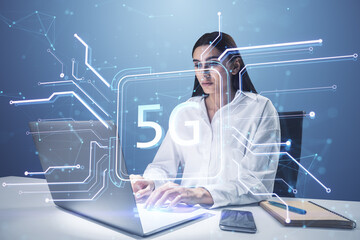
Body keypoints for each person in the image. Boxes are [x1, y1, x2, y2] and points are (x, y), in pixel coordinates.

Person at [130, 32, 280, 209]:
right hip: (187, 211)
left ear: (234, 66)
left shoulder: (260, 109)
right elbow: (162, 166)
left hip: (238, 213)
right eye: (197, 65)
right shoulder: (186, 112)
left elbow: (256, 183)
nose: (203, 73)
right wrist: (150, 182)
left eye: (213, 63)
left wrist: (199, 193)